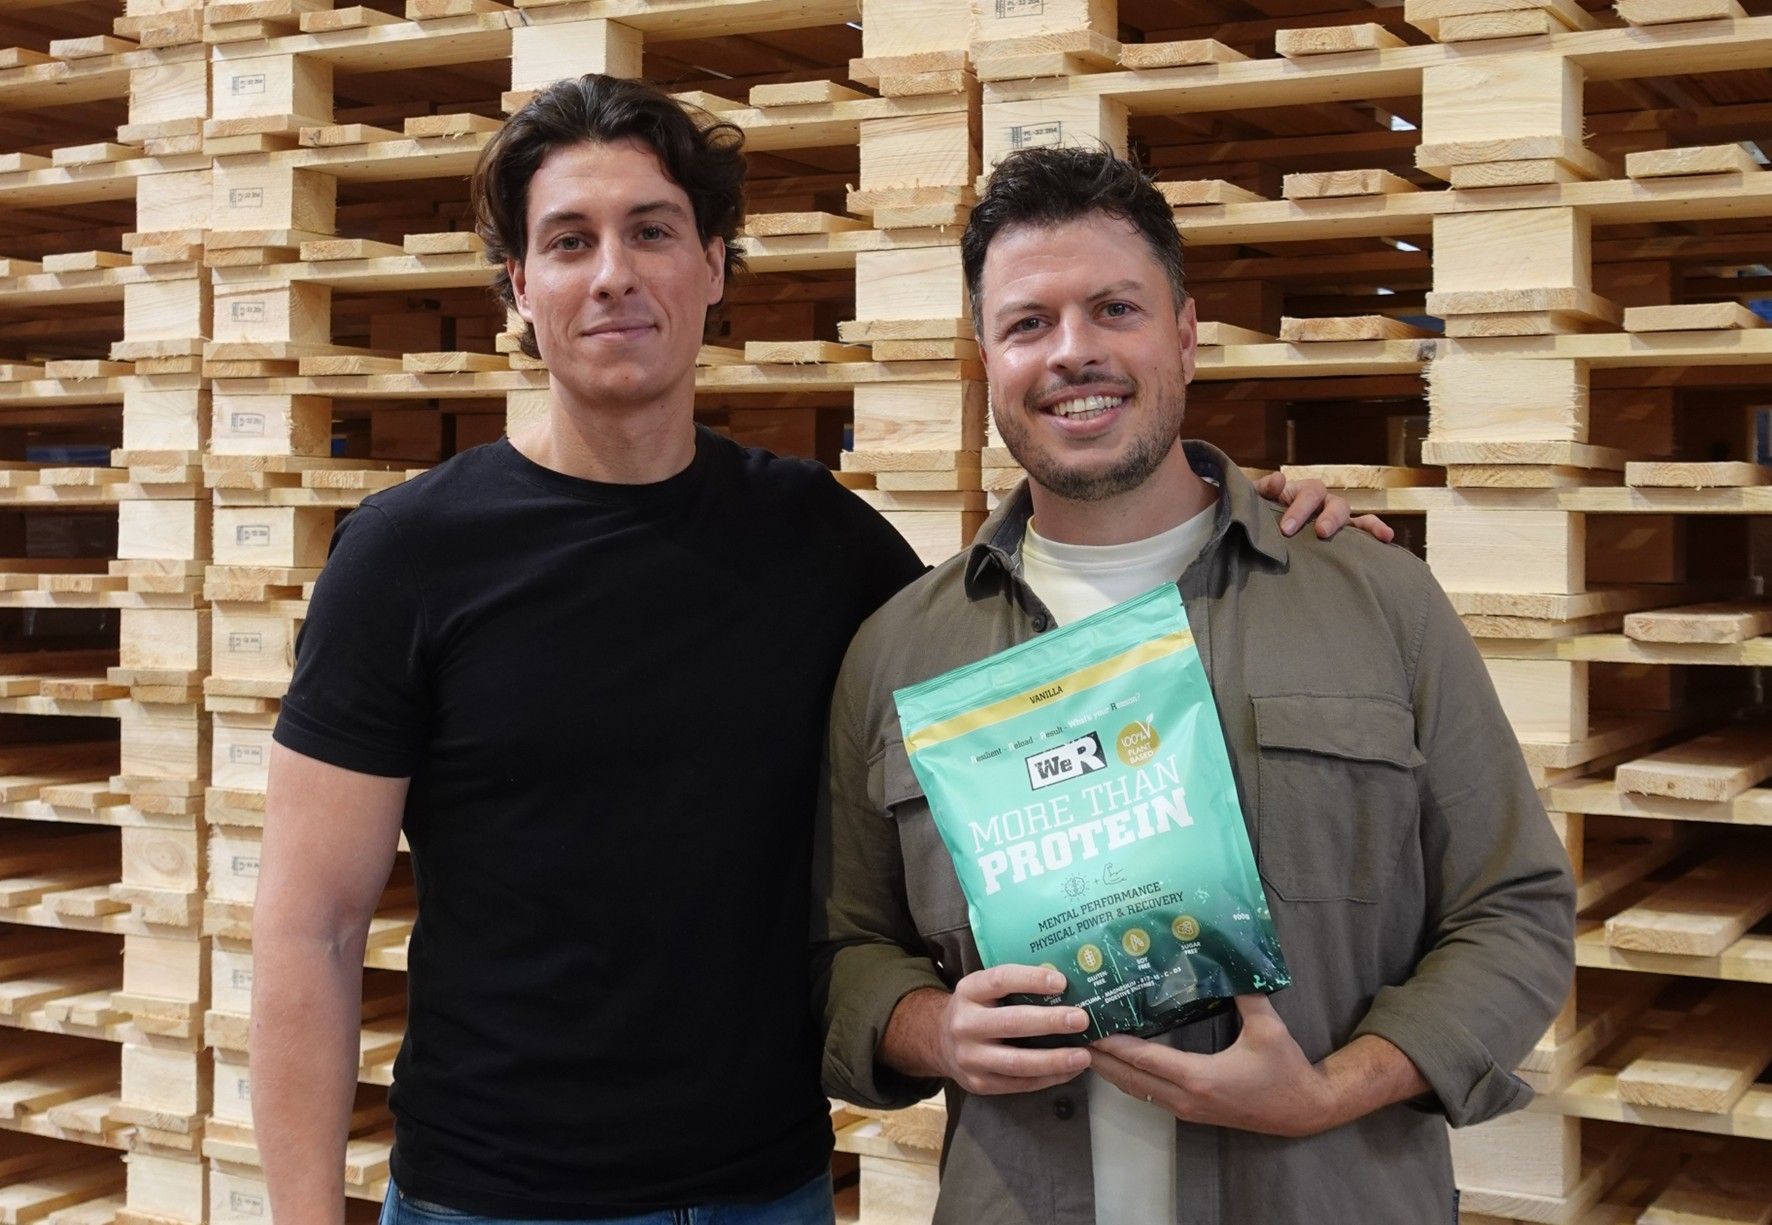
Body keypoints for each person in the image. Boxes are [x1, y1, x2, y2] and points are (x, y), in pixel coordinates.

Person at [249, 75, 1379, 1224]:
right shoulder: (406, 558)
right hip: (492, 1196)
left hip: (769, 1189)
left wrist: (1239, 516)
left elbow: (1040, 643)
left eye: (652, 231)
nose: (613, 274)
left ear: (713, 268)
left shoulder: (821, 545)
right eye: (568, 241)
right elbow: (312, 928)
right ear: (518, 287)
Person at [812, 145, 1576, 1225]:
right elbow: (843, 947)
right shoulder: (901, 650)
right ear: (986, 360)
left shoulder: (1375, 600)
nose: (1072, 351)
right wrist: (935, 1030)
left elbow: (1514, 913)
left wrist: (1329, 1091)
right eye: (1027, 323)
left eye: (1114, 309)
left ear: (1184, 333)